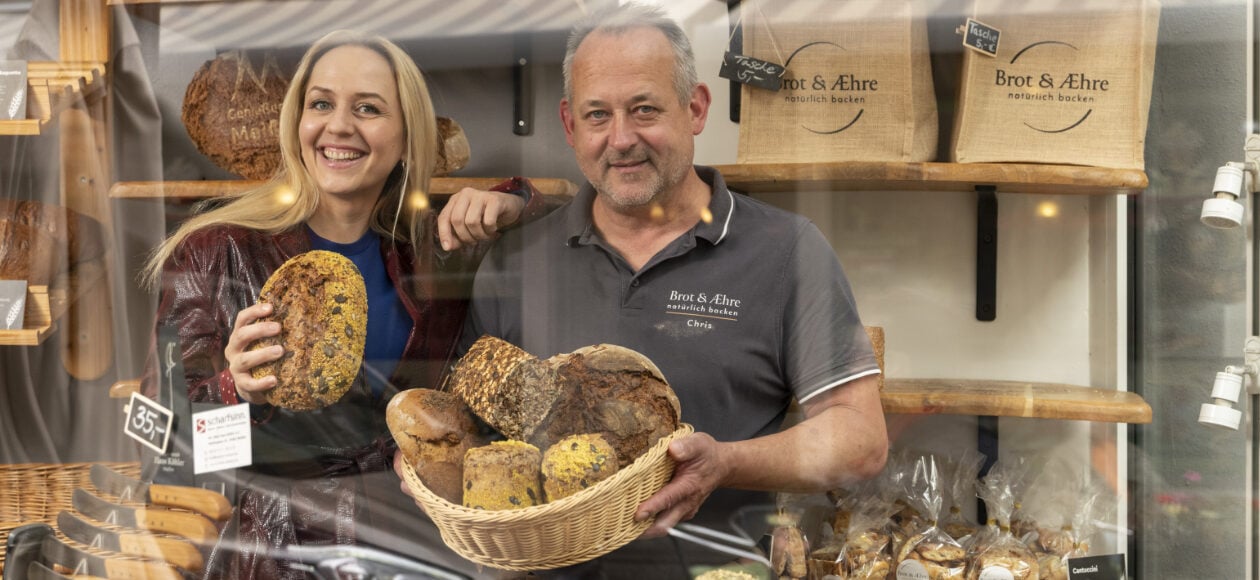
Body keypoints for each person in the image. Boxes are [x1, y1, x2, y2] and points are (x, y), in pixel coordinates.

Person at [450, 3, 889, 576]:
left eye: (644, 109)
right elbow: (463, 424)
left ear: (696, 107)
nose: (622, 138)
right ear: (569, 125)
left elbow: (860, 440)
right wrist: (428, 465)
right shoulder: (517, 256)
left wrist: (725, 463)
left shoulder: (787, 251)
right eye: (597, 115)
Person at [141, 30, 543, 579]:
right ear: (297, 123)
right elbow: (164, 447)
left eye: (369, 108)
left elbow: (572, 230)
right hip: (274, 552)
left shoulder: (431, 253)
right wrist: (235, 389)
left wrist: (514, 201)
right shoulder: (216, 251)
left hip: (407, 545)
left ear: (406, 137)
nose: (338, 126)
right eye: (321, 103)